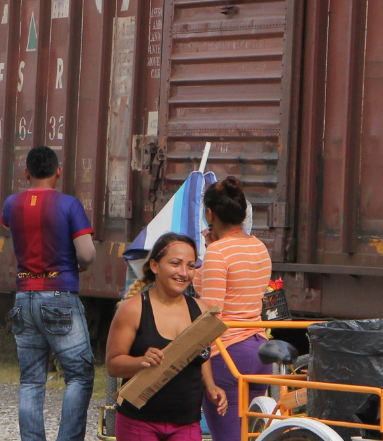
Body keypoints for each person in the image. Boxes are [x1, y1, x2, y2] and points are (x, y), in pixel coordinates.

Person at [3, 146, 95, 441]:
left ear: (26, 172)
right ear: (58, 170)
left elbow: (9, 233)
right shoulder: (69, 205)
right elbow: (88, 254)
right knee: (79, 375)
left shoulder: (11, 204)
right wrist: (77, 264)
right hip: (59, 295)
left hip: (23, 297)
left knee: (31, 380)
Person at [106, 233, 230, 441]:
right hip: (139, 421)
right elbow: (112, 364)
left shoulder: (200, 309)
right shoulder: (133, 309)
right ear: (155, 266)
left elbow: (202, 353)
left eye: (190, 266)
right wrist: (140, 362)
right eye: (175, 264)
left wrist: (210, 386)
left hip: (186, 422)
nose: (183, 273)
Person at [196, 176, 272, 440]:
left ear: (209, 214)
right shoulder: (260, 247)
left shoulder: (218, 253)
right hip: (259, 350)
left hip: (227, 353)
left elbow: (212, 311)